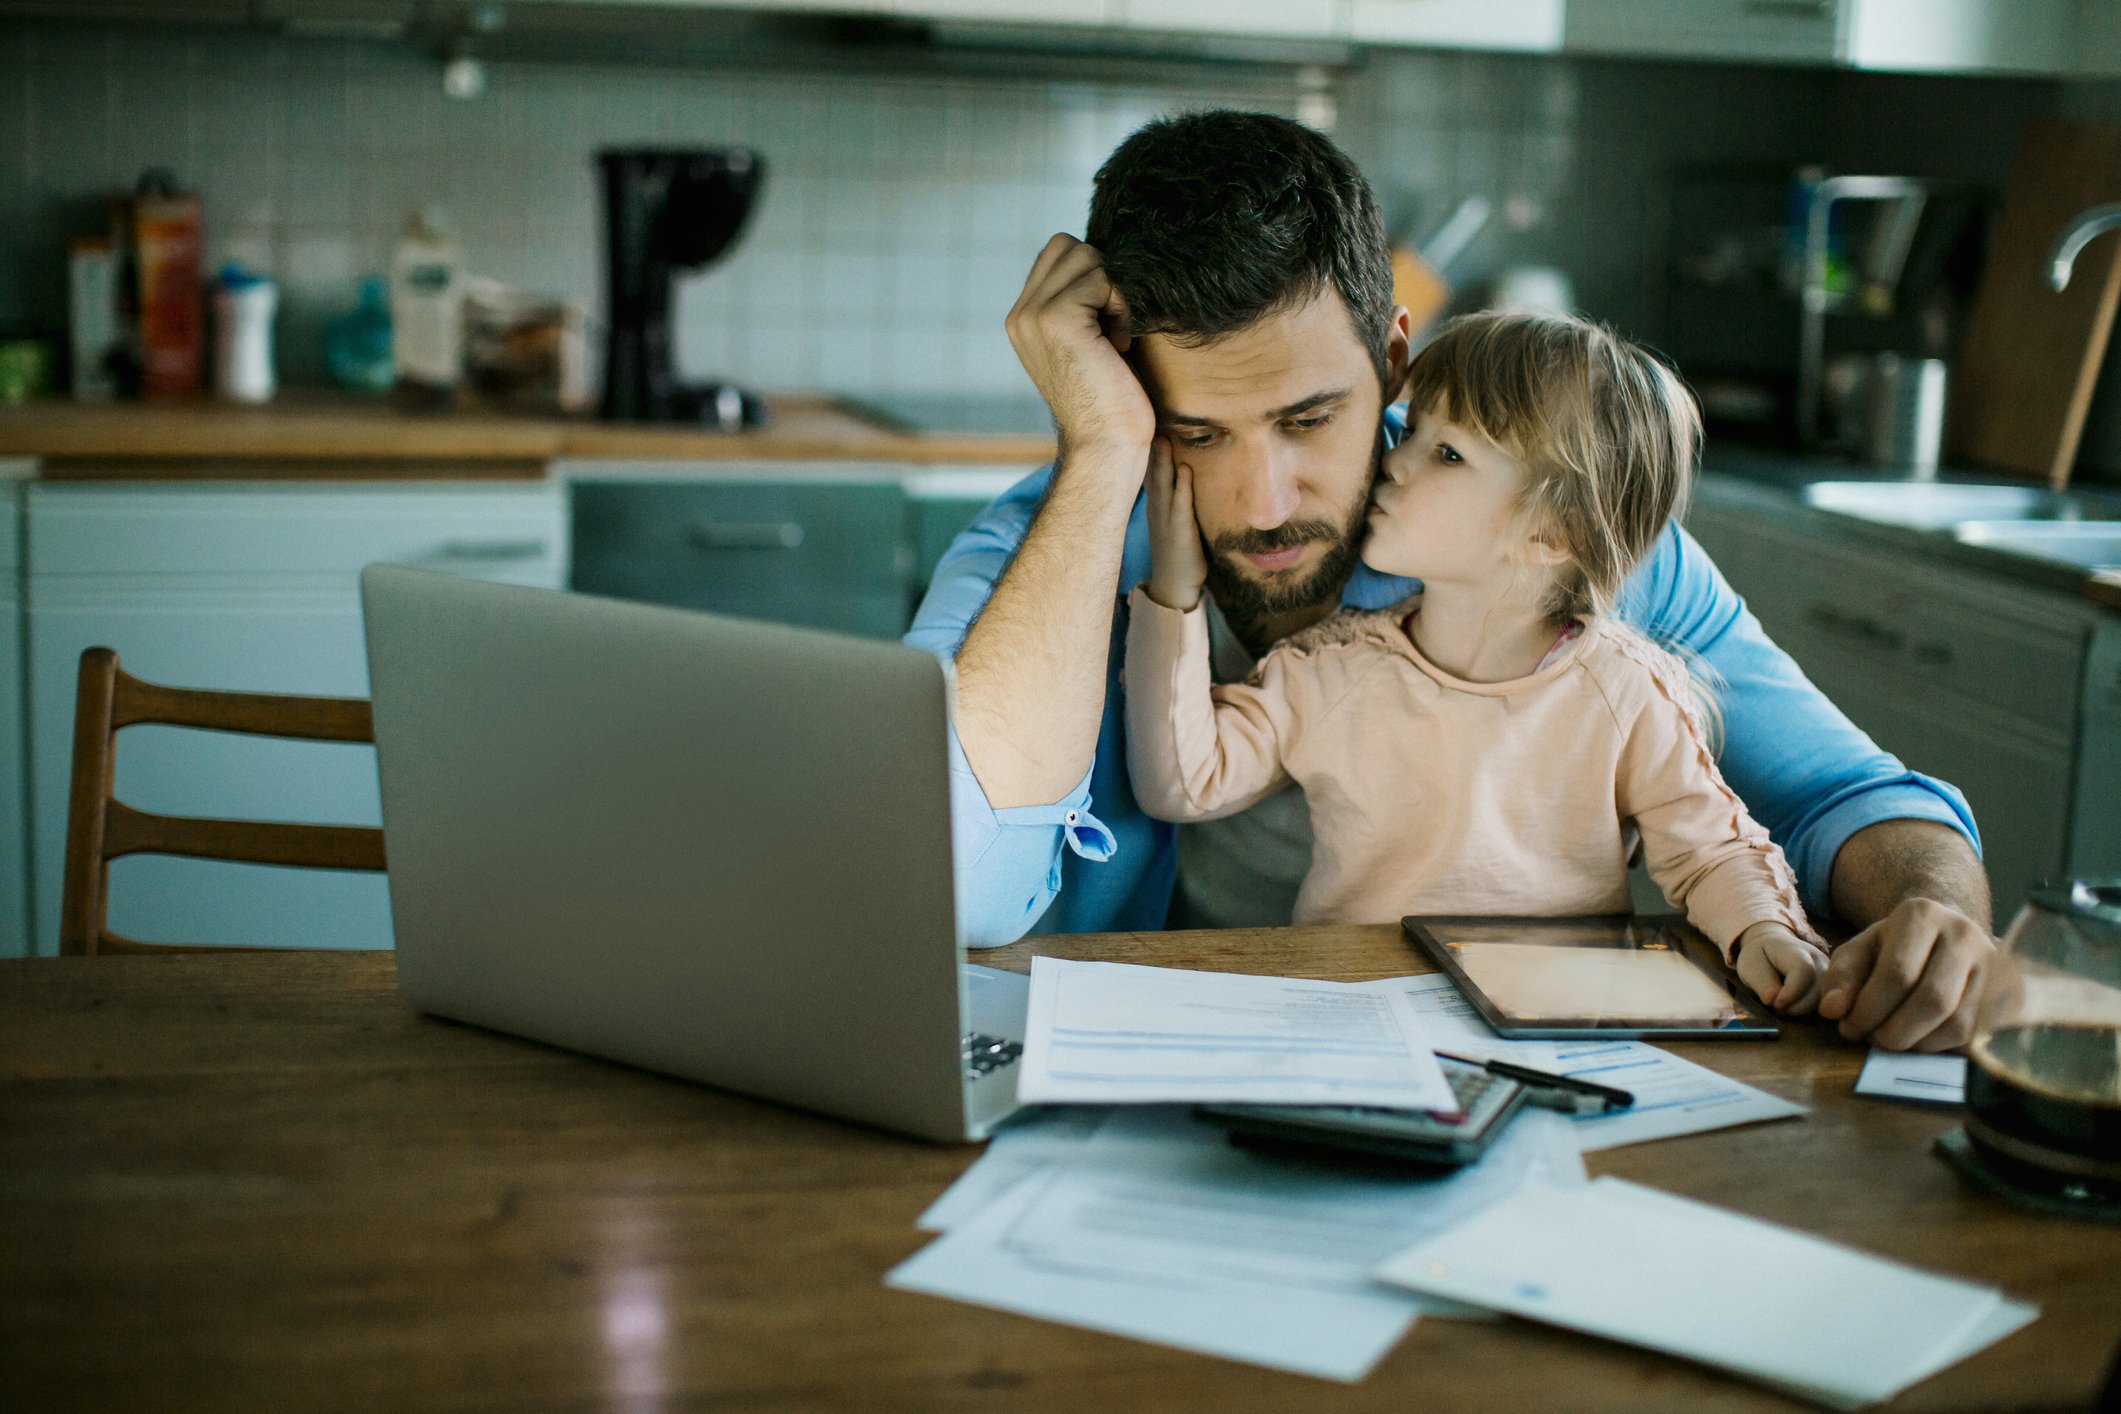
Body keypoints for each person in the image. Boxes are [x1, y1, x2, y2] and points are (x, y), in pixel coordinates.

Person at [906, 109, 1994, 1053]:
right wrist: (1101, 458)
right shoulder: (1043, 552)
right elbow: (945, 883)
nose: (1265, 498)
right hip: (1146, 1079)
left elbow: (1845, 796)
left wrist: (1932, 913)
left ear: (1391, 361)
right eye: (1195, 431)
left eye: (1308, 419)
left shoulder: (1553, 539)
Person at [1124, 309, 1831, 1011]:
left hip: (1560, 1025)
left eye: (1447, 453)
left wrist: (1764, 930)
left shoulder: (1626, 691)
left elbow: (1709, 853)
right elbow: (1185, 783)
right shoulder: (1328, 670)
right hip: (1361, 1012)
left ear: (1554, 533)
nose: (1394, 460)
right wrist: (1174, 593)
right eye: (1417, 428)